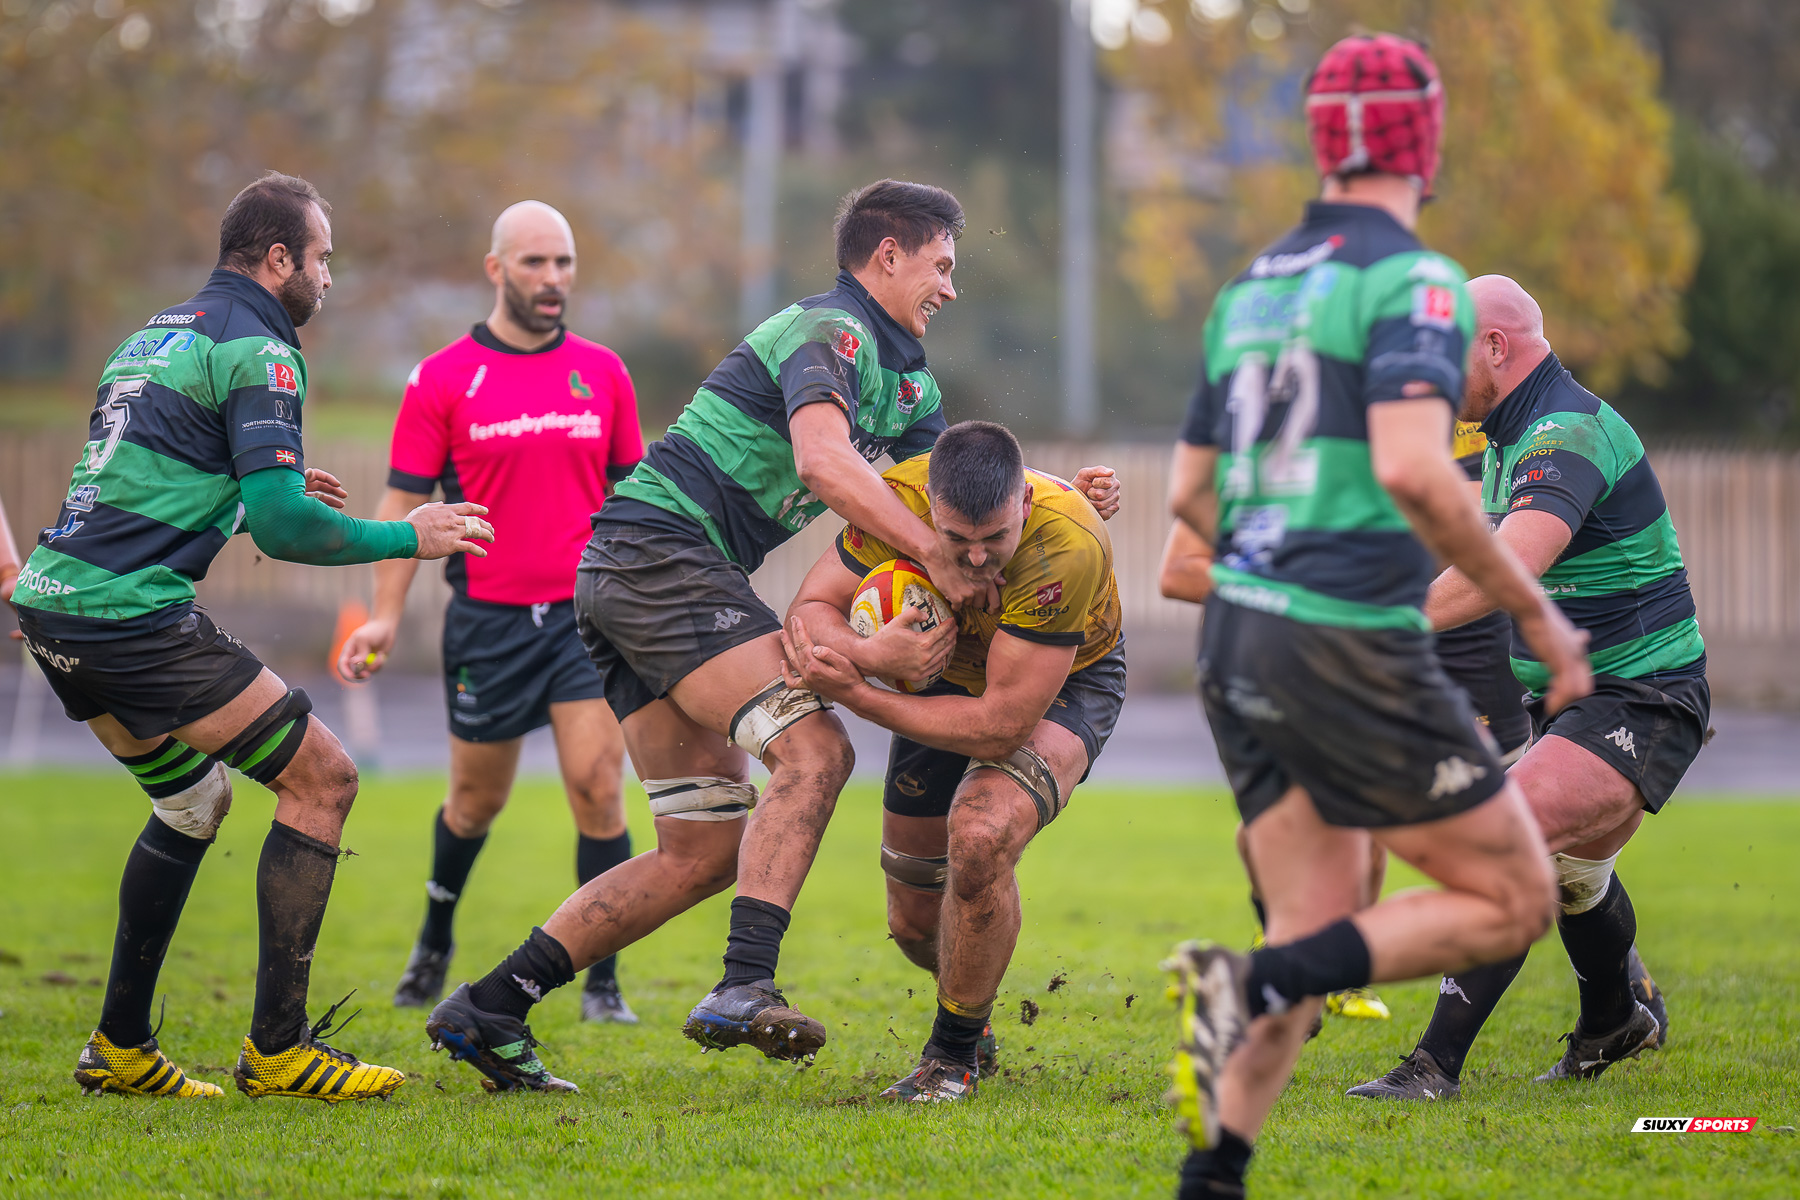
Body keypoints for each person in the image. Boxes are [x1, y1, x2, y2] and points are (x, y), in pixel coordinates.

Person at [425, 180, 1121, 1093]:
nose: (950, 286)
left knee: (701, 851)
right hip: (659, 558)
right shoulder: (827, 331)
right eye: (941, 265)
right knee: (816, 752)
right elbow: (823, 460)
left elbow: (958, 489)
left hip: (630, 579)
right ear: (888, 255)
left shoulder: (908, 378)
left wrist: (1063, 488)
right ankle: (744, 983)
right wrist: (929, 564)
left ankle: (491, 1004)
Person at [1160, 37, 1592, 1199]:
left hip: (1237, 635)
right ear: (1426, 143)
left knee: (1327, 910)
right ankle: (1248, 979)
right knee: (1513, 897)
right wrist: (1538, 618)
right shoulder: (1413, 280)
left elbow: (1188, 498)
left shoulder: (1251, 288)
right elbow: (1414, 466)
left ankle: (1215, 1177)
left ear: (1319, 139)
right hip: (1342, 637)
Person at [10, 172, 492, 1101]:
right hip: (126, 616)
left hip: (54, 602)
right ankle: (279, 1050)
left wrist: (247, 494)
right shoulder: (263, 350)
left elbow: (138, 499)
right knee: (325, 779)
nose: (327, 278)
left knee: (192, 804)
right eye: (320, 259)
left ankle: (119, 1049)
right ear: (279, 259)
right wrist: (412, 534)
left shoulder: (153, 334)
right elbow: (288, 532)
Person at [1345, 275, 1695, 1101]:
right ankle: (1618, 1021)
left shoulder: (1562, 432)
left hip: (1639, 699)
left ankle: (1431, 1068)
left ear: (1494, 346)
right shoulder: (1511, 434)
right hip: (1581, 703)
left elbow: (1511, 565)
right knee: (1575, 878)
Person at [336, 201, 645, 1024]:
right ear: (496, 268)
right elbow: (403, 504)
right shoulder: (443, 378)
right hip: (487, 625)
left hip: (584, 621)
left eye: (565, 263)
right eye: (537, 263)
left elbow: (634, 500)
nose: (554, 280)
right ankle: (434, 940)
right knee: (475, 804)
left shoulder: (605, 373)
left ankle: (604, 982)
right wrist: (383, 618)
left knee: (598, 788)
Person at [780, 420, 1125, 1102]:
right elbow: (810, 610)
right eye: (954, 540)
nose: (973, 561)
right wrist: (873, 656)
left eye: (993, 540)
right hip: (940, 677)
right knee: (913, 919)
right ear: (930, 508)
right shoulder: (896, 501)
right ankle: (977, 1010)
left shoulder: (1066, 541)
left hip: (1066, 682)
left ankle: (952, 1057)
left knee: (979, 833)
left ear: (1023, 505)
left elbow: (1001, 727)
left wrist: (858, 694)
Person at [1156, 515, 1390, 1024]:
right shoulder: (1232, 468)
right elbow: (1177, 574)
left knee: (1360, 827)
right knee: (1267, 831)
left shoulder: (1363, 474)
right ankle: (1289, 950)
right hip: (1255, 672)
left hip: (1349, 667)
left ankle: (1330, 967)